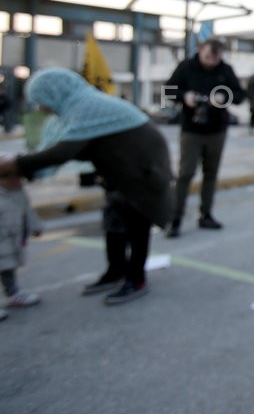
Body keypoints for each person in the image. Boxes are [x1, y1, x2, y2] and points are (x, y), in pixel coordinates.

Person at [0, 68, 173, 305]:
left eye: (42, 102)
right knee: (114, 225)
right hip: (119, 172)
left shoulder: (87, 107)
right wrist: (26, 164)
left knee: (136, 226)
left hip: (142, 173)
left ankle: (136, 278)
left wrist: (17, 163)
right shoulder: (75, 108)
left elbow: (64, 152)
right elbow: (71, 148)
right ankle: (115, 271)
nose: (41, 108)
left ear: (54, 93)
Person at [164, 39, 245, 237]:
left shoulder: (225, 69)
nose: (211, 62)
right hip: (191, 129)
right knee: (185, 173)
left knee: (211, 174)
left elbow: (240, 95)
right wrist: (185, 97)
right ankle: (175, 218)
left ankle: (205, 214)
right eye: (208, 57)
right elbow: (168, 90)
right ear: (200, 51)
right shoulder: (186, 67)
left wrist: (223, 97)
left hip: (217, 129)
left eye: (215, 58)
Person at [0, 168, 42, 319]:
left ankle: (13, 292)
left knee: (8, 268)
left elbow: (27, 212)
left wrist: (35, 226)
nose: (15, 182)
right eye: (8, 178)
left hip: (12, 240)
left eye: (17, 178)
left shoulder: (19, 194)